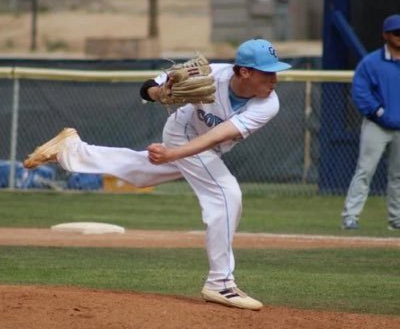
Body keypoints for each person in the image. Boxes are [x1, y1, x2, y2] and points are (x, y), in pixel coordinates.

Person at [24, 38, 292, 310]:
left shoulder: (268, 104)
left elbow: (218, 136)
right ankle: (220, 282)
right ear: (245, 72)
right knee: (225, 193)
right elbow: (148, 87)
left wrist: (172, 155)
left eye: (275, 71)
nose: (274, 79)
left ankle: (71, 150)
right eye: (268, 72)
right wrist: (160, 93)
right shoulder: (211, 74)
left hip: (201, 143)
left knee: (142, 173)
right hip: (181, 133)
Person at [341, 14, 400, 230]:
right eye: (396, 32)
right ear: (385, 35)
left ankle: (396, 220)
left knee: (398, 176)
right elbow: (360, 92)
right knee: (365, 171)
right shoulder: (371, 62)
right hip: (377, 125)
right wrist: (379, 112)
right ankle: (350, 217)